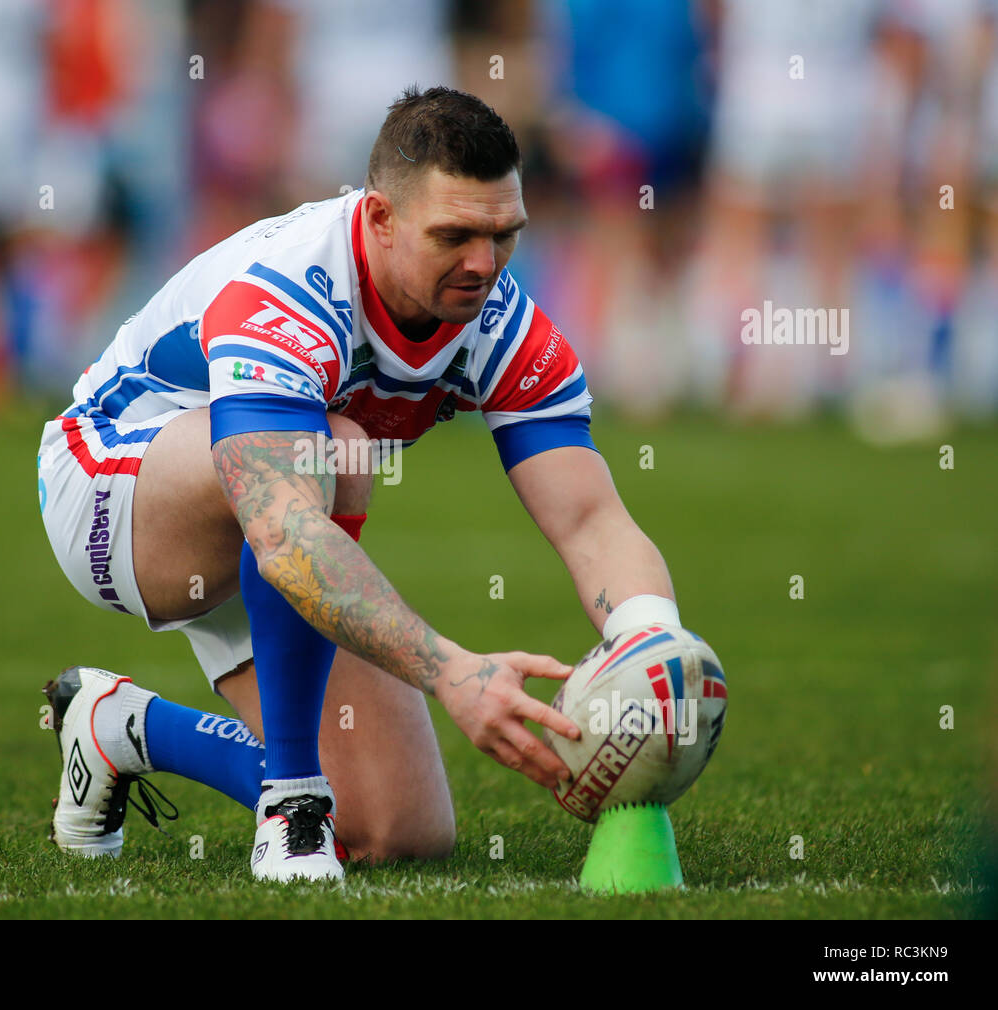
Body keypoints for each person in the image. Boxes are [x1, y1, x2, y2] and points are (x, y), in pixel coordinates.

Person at [36, 86, 682, 882]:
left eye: (502, 235)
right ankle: (290, 803)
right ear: (379, 217)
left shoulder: (502, 322)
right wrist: (453, 671)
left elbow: (591, 520)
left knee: (398, 832)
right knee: (333, 451)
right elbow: (280, 527)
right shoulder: (290, 289)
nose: (483, 264)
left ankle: (118, 727)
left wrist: (659, 648)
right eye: (455, 235)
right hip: (113, 488)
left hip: (272, 515)